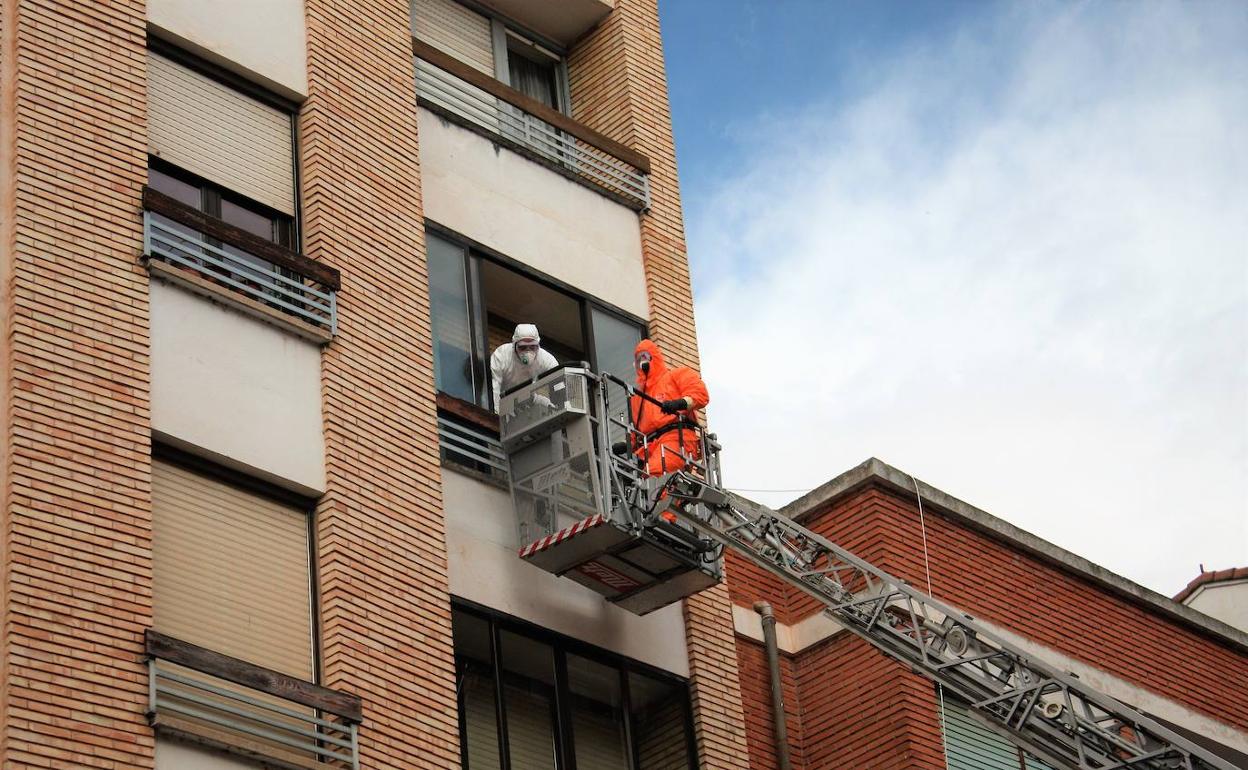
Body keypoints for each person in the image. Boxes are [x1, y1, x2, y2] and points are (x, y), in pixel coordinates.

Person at [628, 339, 710, 476]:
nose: (641, 361)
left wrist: (679, 404)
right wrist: (626, 445)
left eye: (645, 356)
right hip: (649, 447)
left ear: (655, 357)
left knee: (652, 473)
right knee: (634, 478)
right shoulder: (637, 399)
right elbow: (635, 432)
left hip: (676, 439)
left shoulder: (677, 375)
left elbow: (701, 395)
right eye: (638, 359)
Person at [490, 323, 559, 411]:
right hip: (503, 398)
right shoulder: (502, 355)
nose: (528, 352)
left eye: (532, 347)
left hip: (527, 399)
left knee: (548, 407)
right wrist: (496, 414)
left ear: (538, 346)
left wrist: (560, 404)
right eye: (523, 347)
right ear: (514, 345)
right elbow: (494, 387)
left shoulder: (546, 360)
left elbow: (558, 381)